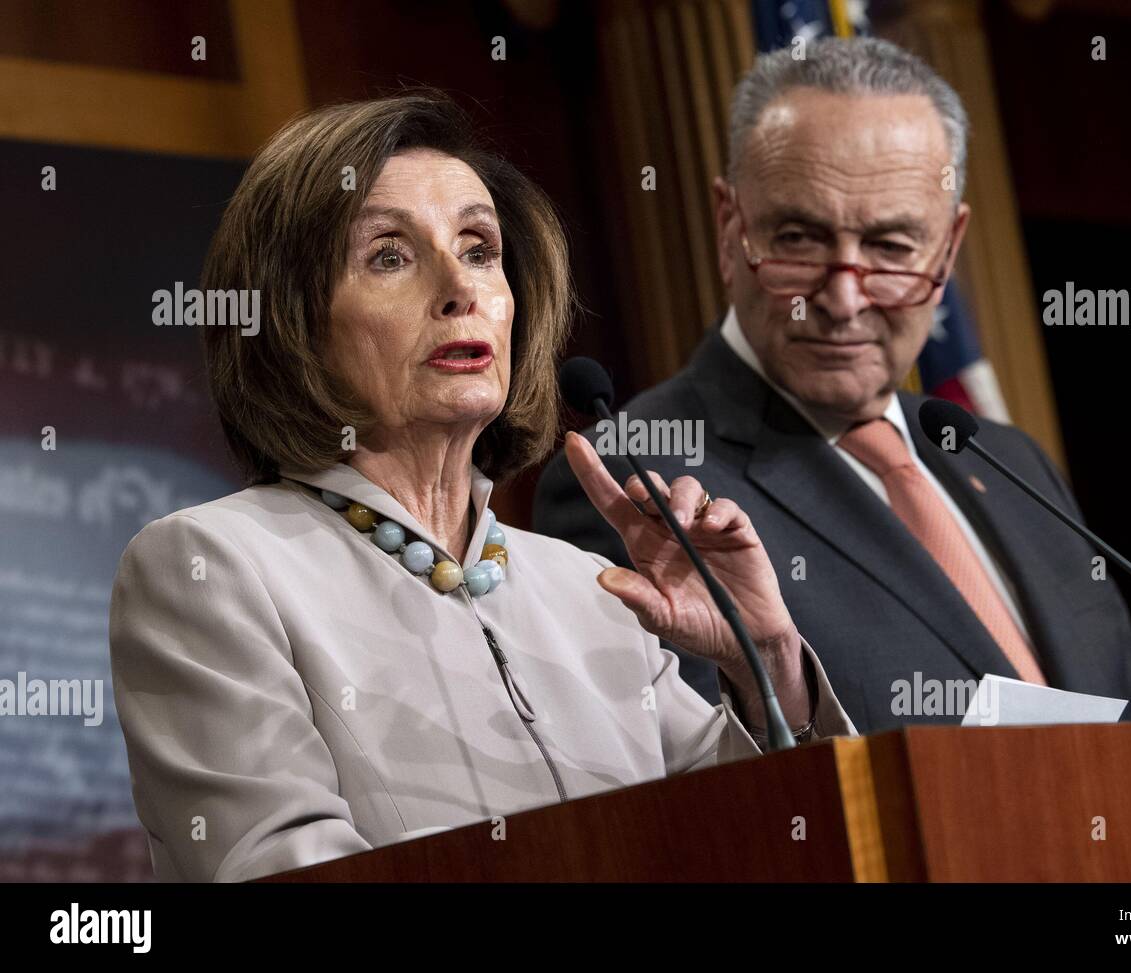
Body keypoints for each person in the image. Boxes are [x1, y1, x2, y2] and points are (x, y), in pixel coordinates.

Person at [108, 91, 853, 883]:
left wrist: (763, 652)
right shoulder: (210, 568)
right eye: (389, 255)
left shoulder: (589, 587)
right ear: (292, 319)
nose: (459, 288)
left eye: (477, 247)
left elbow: (770, 842)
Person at [534, 37, 1131, 732]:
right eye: (799, 239)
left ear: (949, 248)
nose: (843, 299)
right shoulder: (641, 481)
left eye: (891, 247)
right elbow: (693, 796)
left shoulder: (1014, 465)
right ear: (729, 228)